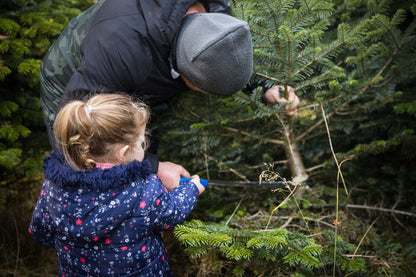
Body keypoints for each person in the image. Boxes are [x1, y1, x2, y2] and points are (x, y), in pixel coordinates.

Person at [40, 0, 299, 191]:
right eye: (200, 88)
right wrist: (153, 168)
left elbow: (221, 55)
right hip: (71, 78)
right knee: (84, 176)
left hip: (135, 70)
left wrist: (264, 88)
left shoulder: (217, 14)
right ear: (183, 69)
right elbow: (79, 135)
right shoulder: (118, 48)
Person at [29, 93, 205, 277]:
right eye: (141, 142)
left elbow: (40, 232)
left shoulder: (54, 187)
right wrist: (191, 189)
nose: (143, 146)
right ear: (124, 152)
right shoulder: (144, 189)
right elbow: (173, 213)